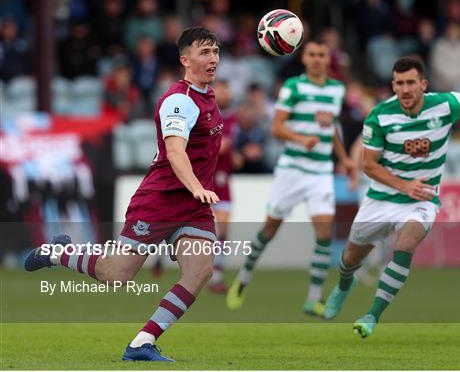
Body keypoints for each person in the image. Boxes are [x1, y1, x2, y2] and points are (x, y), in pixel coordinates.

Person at [25, 27, 223, 362]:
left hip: (192, 206)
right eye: (204, 52)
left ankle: (141, 344)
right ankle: (57, 253)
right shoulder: (179, 101)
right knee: (115, 274)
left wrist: (196, 193)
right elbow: (175, 153)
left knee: (200, 270)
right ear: (184, 59)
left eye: (216, 51)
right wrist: (197, 187)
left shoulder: (208, 96)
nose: (213, 58)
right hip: (160, 200)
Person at [323, 56, 460, 338]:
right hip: (383, 197)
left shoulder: (446, 105)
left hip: (423, 197)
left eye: (411, 82)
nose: (406, 89)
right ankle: (344, 284)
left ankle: (372, 315)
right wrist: (403, 185)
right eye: (400, 83)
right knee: (351, 257)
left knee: (406, 242)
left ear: (423, 84)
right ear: (393, 86)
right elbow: (369, 165)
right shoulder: (380, 116)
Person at [226, 38, 358, 316]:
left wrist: (344, 157)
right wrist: (301, 139)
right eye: (312, 54)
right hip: (292, 170)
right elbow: (276, 128)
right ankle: (245, 276)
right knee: (269, 230)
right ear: (305, 59)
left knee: (324, 233)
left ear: (327, 58)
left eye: (322, 54)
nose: (318, 59)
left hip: (320, 171)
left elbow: (332, 127)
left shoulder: (336, 89)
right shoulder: (294, 87)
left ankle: (312, 298)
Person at [209, 79, 238, 293]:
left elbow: (229, 148)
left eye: (226, 90)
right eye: (221, 89)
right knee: (201, 229)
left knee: (223, 228)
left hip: (223, 180)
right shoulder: (206, 116)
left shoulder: (233, 119)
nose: (225, 93)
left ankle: (216, 274)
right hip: (204, 179)